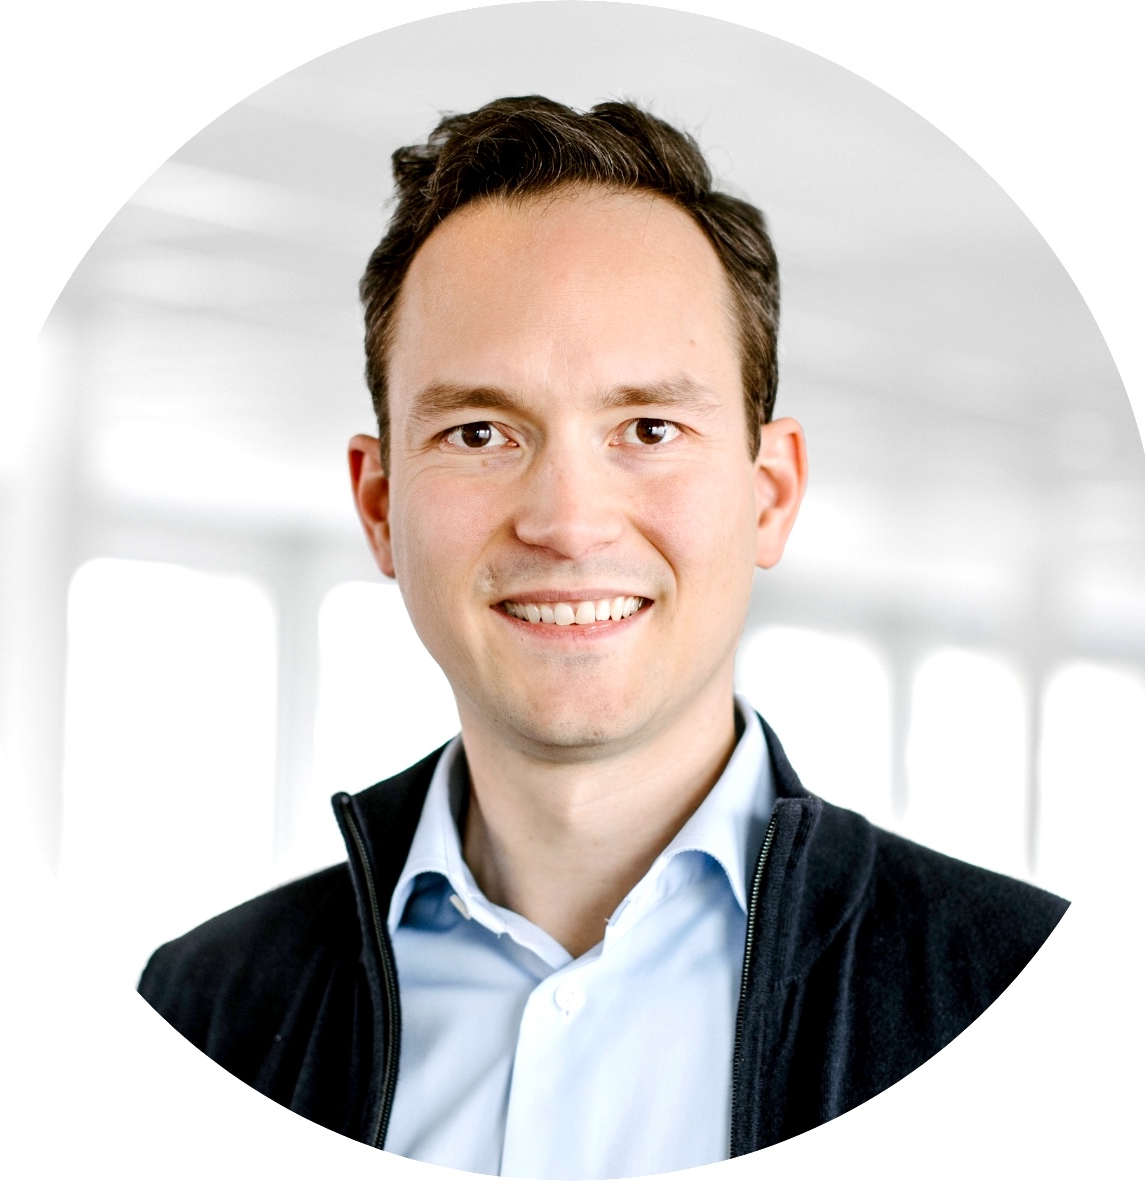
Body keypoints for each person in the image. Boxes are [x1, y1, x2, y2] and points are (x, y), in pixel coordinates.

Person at [139, 96, 1067, 1178]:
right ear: (380, 505)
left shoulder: (1021, 999)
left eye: (648, 428)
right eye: (479, 432)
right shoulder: (201, 1016)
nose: (567, 522)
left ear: (768, 494)